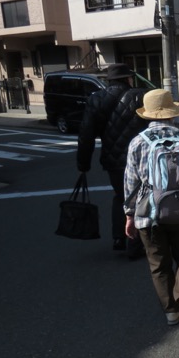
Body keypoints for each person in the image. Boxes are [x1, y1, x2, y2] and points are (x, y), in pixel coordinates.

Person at [123, 89, 179, 326]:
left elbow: (130, 185)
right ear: (172, 113)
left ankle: (171, 312)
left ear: (148, 114)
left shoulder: (138, 142)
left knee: (158, 263)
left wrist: (129, 216)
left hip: (149, 214)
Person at [77, 63, 147, 258]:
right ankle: (135, 243)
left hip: (113, 159)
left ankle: (119, 238)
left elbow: (86, 135)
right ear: (128, 79)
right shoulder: (140, 96)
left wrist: (83, 164)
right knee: (142, 197)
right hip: (141, 157)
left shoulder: (96, 99)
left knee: (120, 197)